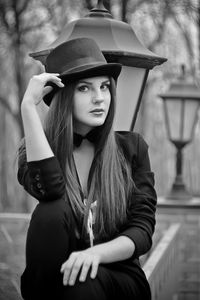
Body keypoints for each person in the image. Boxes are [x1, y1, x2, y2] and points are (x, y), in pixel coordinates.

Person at [17, 37, 157, 300]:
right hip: (58, 278)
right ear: (62, 95)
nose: (99, 98)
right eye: (84, 89)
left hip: (119, 277)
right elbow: (49, 190)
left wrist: (94, 254)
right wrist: (27, 107)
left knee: (82, 283)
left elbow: (142, 230)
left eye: (104, 87)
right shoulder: (37, 150)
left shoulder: (132, 148)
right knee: (50, 211)